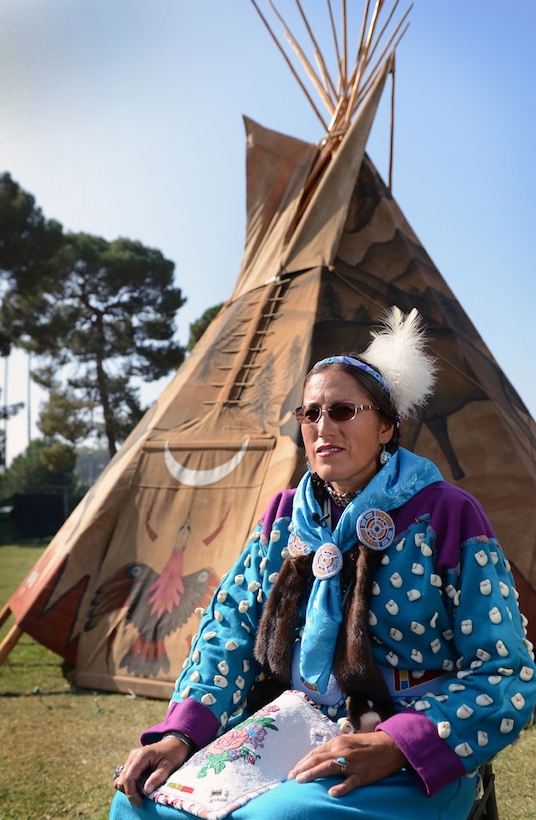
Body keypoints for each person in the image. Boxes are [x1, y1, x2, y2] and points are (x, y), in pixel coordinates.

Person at [110, 307, 536, 820]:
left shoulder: (446, 514)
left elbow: (504, 672)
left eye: (342, 411)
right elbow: (231, 633)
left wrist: (398, 744)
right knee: (140, 803)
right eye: (310, 413)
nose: (322, 426)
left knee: (282, 818)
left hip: (403, 743)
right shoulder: (285, 516)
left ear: (386, 426)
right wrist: (181, 734)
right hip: (290, 730)